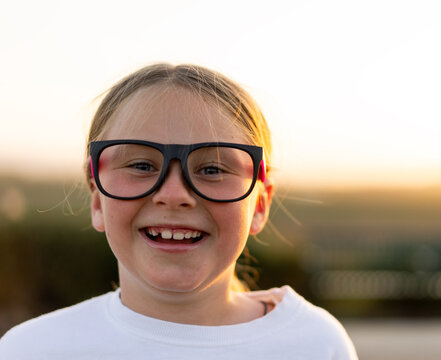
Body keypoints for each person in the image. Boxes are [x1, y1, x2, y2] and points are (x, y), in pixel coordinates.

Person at [0, 63, 358, 359]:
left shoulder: (314, 344)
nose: (174, 195)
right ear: (97, 199)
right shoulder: (31, 350)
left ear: (259, 204)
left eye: (212, 169)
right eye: (141, 165)